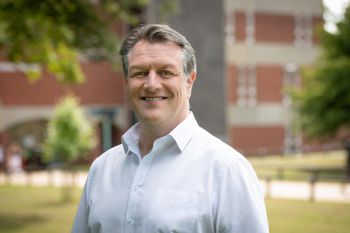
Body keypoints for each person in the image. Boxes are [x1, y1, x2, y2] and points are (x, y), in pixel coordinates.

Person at [72, 24, 269, 233]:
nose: (152, 84)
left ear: (189, 82)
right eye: (140, 73)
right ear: (126, 81)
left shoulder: (226, 170)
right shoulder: (102, 169)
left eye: (165, 72)